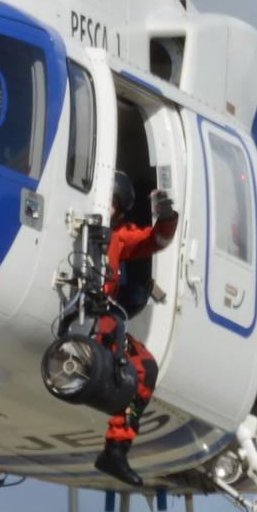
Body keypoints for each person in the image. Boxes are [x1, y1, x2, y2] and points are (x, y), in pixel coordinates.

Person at [93, 171, 179, 487]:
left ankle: (116, 448)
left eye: (115, 205)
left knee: (145, 368)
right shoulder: (69, 222)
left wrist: (166, 218)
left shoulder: (120, 236)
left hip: (100, 321)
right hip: (75, 315)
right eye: (107, 202)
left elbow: (155, 240)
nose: (109, 209)